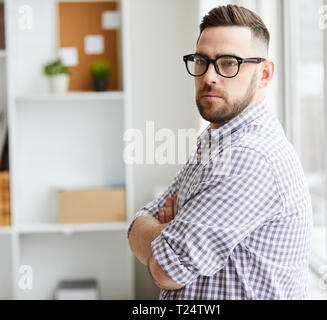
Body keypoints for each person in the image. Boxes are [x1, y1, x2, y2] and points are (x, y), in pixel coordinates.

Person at [127, 4, 312, 300]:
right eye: (202, 60)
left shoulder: (250, 157)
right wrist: (163, 232)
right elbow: (142, 219)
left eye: (228, 63)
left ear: (264, 74)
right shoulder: (217, 139)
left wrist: (163, 231)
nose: (209, 76)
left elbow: (165, 269)